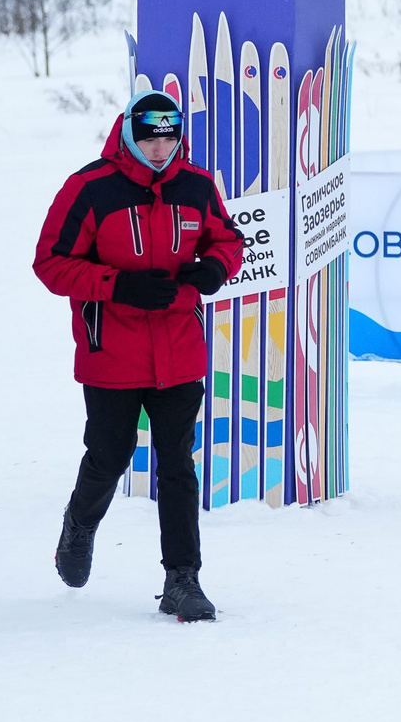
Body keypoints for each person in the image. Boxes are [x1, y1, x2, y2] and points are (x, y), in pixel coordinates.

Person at [34, 90, 244, 623]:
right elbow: (51, 263)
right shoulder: (89, 188)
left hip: (179, 347)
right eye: (148, 137)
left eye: (168, 138)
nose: (158, 148)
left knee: (177, 463)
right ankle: (79, 525)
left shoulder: (196, 185)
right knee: (111, 453)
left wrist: (214, 268)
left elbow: (227, 241)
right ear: (128, 133)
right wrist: (119, 286)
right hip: (112, 350)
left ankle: (182, 579)